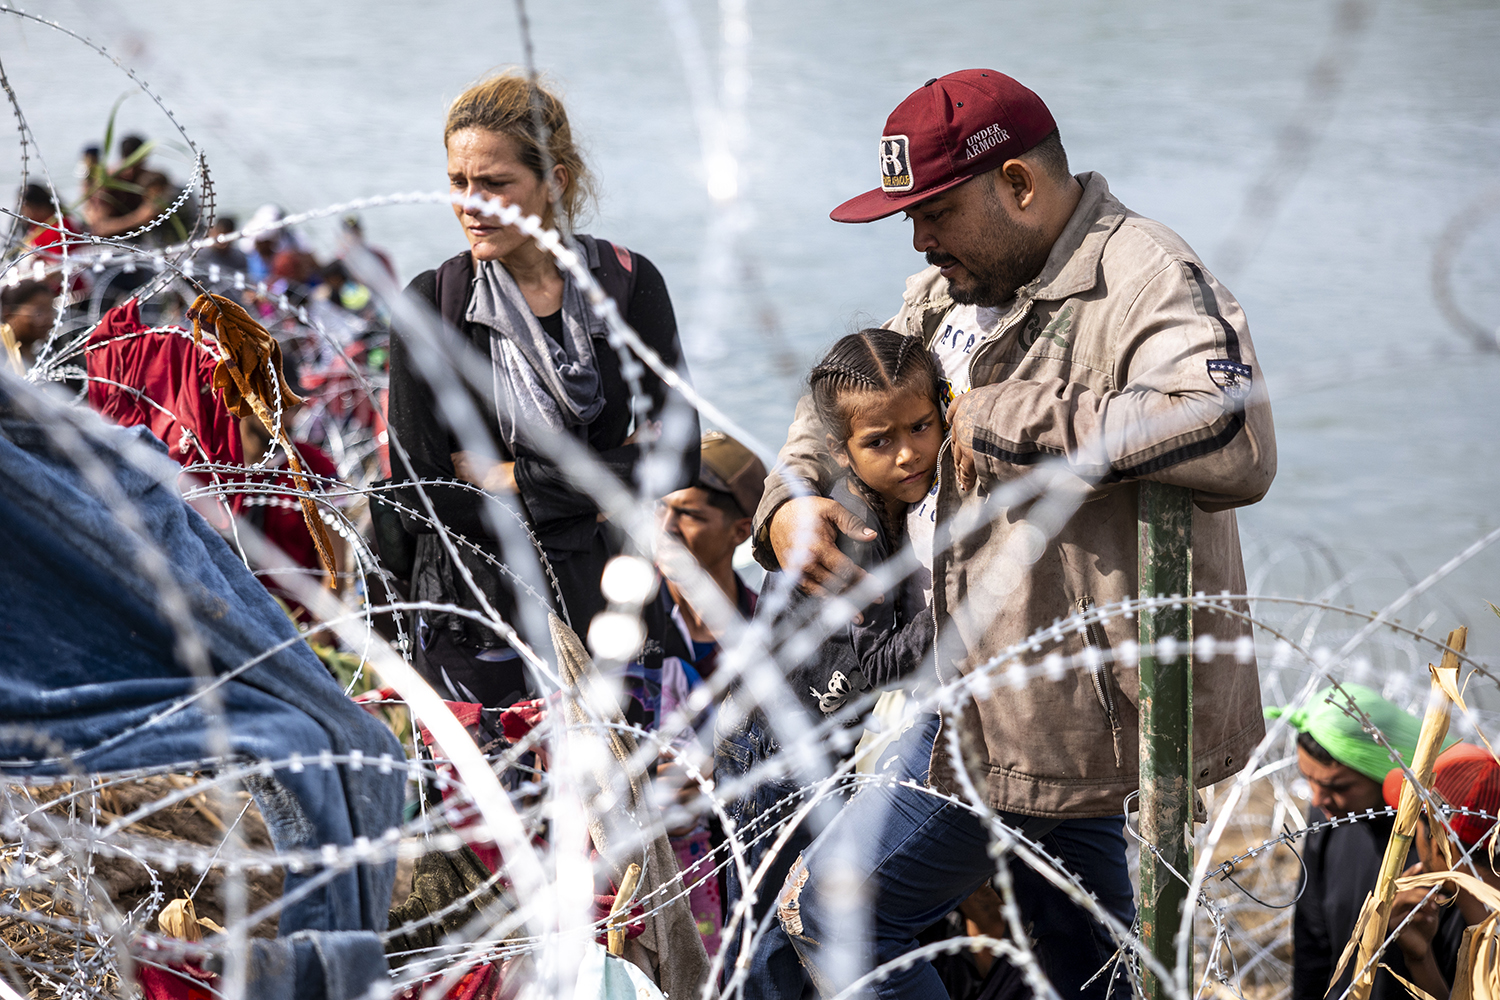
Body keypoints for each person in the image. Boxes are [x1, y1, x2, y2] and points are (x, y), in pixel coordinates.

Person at [754, 69, 1275, 999]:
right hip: (1003, 694)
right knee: (1096, 966)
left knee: (830, 917)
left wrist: (1013, 419)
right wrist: (794, 493)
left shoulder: (1142, 277)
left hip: (1054, 714)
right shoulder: (948, 291)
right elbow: (842, 396)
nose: (918, 240)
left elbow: (1233, 430)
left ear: (1020, 186)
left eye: (935, 214)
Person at [386, 69, 698, 710]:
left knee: (614, 799)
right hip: (474, 617)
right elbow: (424, 494)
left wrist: (513, 480)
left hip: (603, 603)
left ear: (554, 181)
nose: (470, 204)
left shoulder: (626, 285)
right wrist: (600, 486)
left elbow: (682, 455)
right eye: (457, 182)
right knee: (491, 804)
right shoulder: (432, 304)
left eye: (495, 184)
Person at [718, 329, 941, 1000]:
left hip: (807, 736)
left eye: (922, 427)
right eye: (880, 442)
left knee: (786, 921)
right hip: (777, 753)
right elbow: (870, 666)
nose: (907, 453)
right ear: (841, 450)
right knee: (769, 937)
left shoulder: (887, 507)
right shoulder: (854, 535)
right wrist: (959, 614)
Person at [617, 430, 766, 956]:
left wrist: (718, 780)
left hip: (749, 850)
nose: (666, 527)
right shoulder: (627, 624)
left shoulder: (766, 630)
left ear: (741, 530)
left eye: (689, 513)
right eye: (659, 508)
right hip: (653, 862)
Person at [1270, 683, 1464, 1000]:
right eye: (1309, 779)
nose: (1318, 799)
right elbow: (1313, 945)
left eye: (1339, 786)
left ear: (1382, 770)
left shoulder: (1442, 846)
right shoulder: (1329, 820)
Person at [0, 278, 56, 375]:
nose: (48, 320)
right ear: (8, 314)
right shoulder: (4, 360)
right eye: (39, 312)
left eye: (50, 311)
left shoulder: (40, 358)